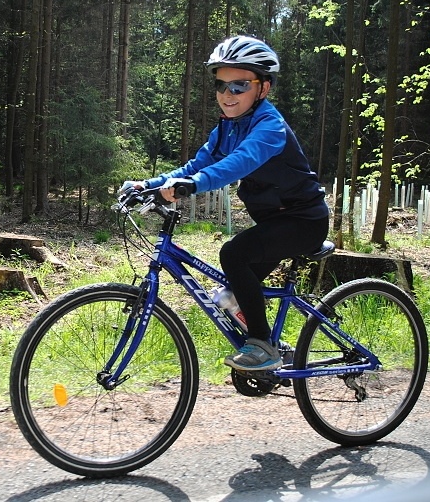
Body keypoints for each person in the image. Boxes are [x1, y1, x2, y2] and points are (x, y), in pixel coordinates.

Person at [122, 34, 330, 372]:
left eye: (239, 86)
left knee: (233, 254)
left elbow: (238, 163)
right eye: (221, 85)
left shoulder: (270, 127)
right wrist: (148, 184)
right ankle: (277, 350)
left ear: (263, 88)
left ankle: (262, 346)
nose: (227, 94)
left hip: (304, 221)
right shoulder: (228, 128)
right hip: (274, 222)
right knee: (229, 296)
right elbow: (196, 166)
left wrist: (193, 185)